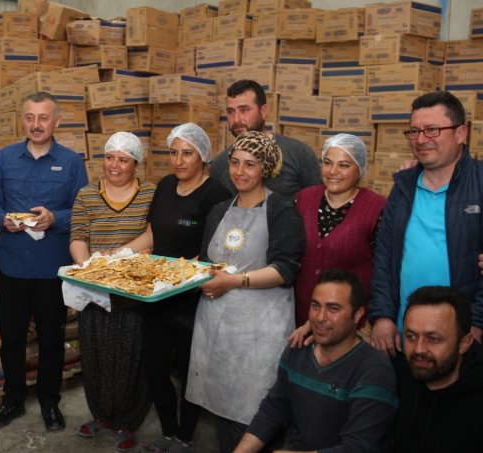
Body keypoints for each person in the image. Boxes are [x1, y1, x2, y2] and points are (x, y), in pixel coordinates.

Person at [186, 131, 305, 453]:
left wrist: (234, 281)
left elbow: (285, 270)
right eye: (235, 163)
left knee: (257, 411)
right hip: (218, 326)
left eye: (250, 165)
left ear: (265, 169)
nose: (240, 171)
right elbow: (209, 260)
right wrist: (181, 270)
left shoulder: (282, 211)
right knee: (225, 407)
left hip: (259, 330)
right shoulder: (220, 210)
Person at [122, 123, 231, 453]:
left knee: (190, 373)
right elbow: (154, 234)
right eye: (174, 152)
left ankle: (185, 436)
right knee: (154, 368)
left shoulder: (217, 195)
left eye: (188, 153)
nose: (179, 161)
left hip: (193, 299)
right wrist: (120, 255)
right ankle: (168, 431)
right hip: (157, 294)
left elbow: (217, 250)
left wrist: (184, 274)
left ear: (204, 156)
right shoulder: (166, 186)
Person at [0, 91, 88, 431]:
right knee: (11, 339)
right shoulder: (4, 158)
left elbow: (82, 212)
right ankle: (13, 400)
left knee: (51, 340)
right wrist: (4, 220)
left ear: (56, 121)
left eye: (43, 118)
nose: (36, 124)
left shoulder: (71, 162)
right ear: (22, 120)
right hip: (13, 267)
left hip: (51, 269)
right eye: (30, 117)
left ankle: (49, 402)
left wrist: (55, 218)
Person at [369, 91, 483, 358]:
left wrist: (477, 324)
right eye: (414, 132)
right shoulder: (403, 188)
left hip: (462, 339)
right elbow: (384, 259)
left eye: (432, 130)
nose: (421, 140)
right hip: (404, 337)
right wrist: (383, 315)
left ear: (461, 133)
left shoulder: (479, 185)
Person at [234, 269, 397, 453]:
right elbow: (273, 410)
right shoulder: (298, 349)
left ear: (358, 314)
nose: (320, 317)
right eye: (315, 306)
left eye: (333, 308)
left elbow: (359, 447)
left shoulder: (375, 370)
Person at [68, 132, 156, 451]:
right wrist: (87, 264)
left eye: (123, 159)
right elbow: (78, 235)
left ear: (136, 163)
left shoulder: (150, 193)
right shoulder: (87, 195)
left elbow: (153, 234)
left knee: (129, 358)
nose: (114, 166)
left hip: (133, 294)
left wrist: (118, 256)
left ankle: (127, 421)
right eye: (109, 157)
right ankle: (102, 416)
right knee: (95, 356)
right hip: (94, 293)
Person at [290, 134, 385, 340]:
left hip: (349, 323)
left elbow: (383, 269)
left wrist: (372, 320)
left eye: (344, 165)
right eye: (327, 163)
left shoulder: (376, 207)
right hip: (301, 314)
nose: (333, 172)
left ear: (359, 169)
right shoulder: (303, 198)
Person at [394, 285, 483, 452]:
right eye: (411, 336)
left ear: (464, 343)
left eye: (433, 339)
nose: (419, 349)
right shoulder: (395, 378)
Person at [209, 80, 320, 198]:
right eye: (230, 111)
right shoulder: (220, 163)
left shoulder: (298, 154)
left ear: (263, 111)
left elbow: (316, 203)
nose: (236, 119)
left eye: (244, 110)